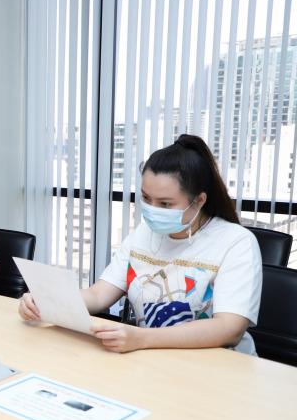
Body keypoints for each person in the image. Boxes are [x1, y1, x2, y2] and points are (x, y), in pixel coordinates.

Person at [18, 134, 262, 355]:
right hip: (151, 359)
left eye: (165, 204)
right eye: (146, 198)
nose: (152, 209)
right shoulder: (143, 234)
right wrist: (46, 301)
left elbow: (229, 328)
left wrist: (142, 338)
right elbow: (99, 294)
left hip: (218, 366)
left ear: (199, 201)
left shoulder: (236, 242)